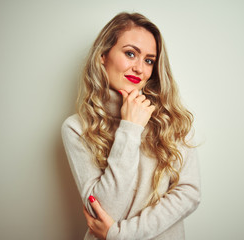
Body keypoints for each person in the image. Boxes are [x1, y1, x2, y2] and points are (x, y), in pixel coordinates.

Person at [61, 12, 201, 240]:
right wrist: (130, 128)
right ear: (102, 56)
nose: (139, 68)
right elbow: (104, 210)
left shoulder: (171, 118)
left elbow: (189, 193)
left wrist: (121, 235)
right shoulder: (77, 127)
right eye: (130, 54)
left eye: (148, 60)